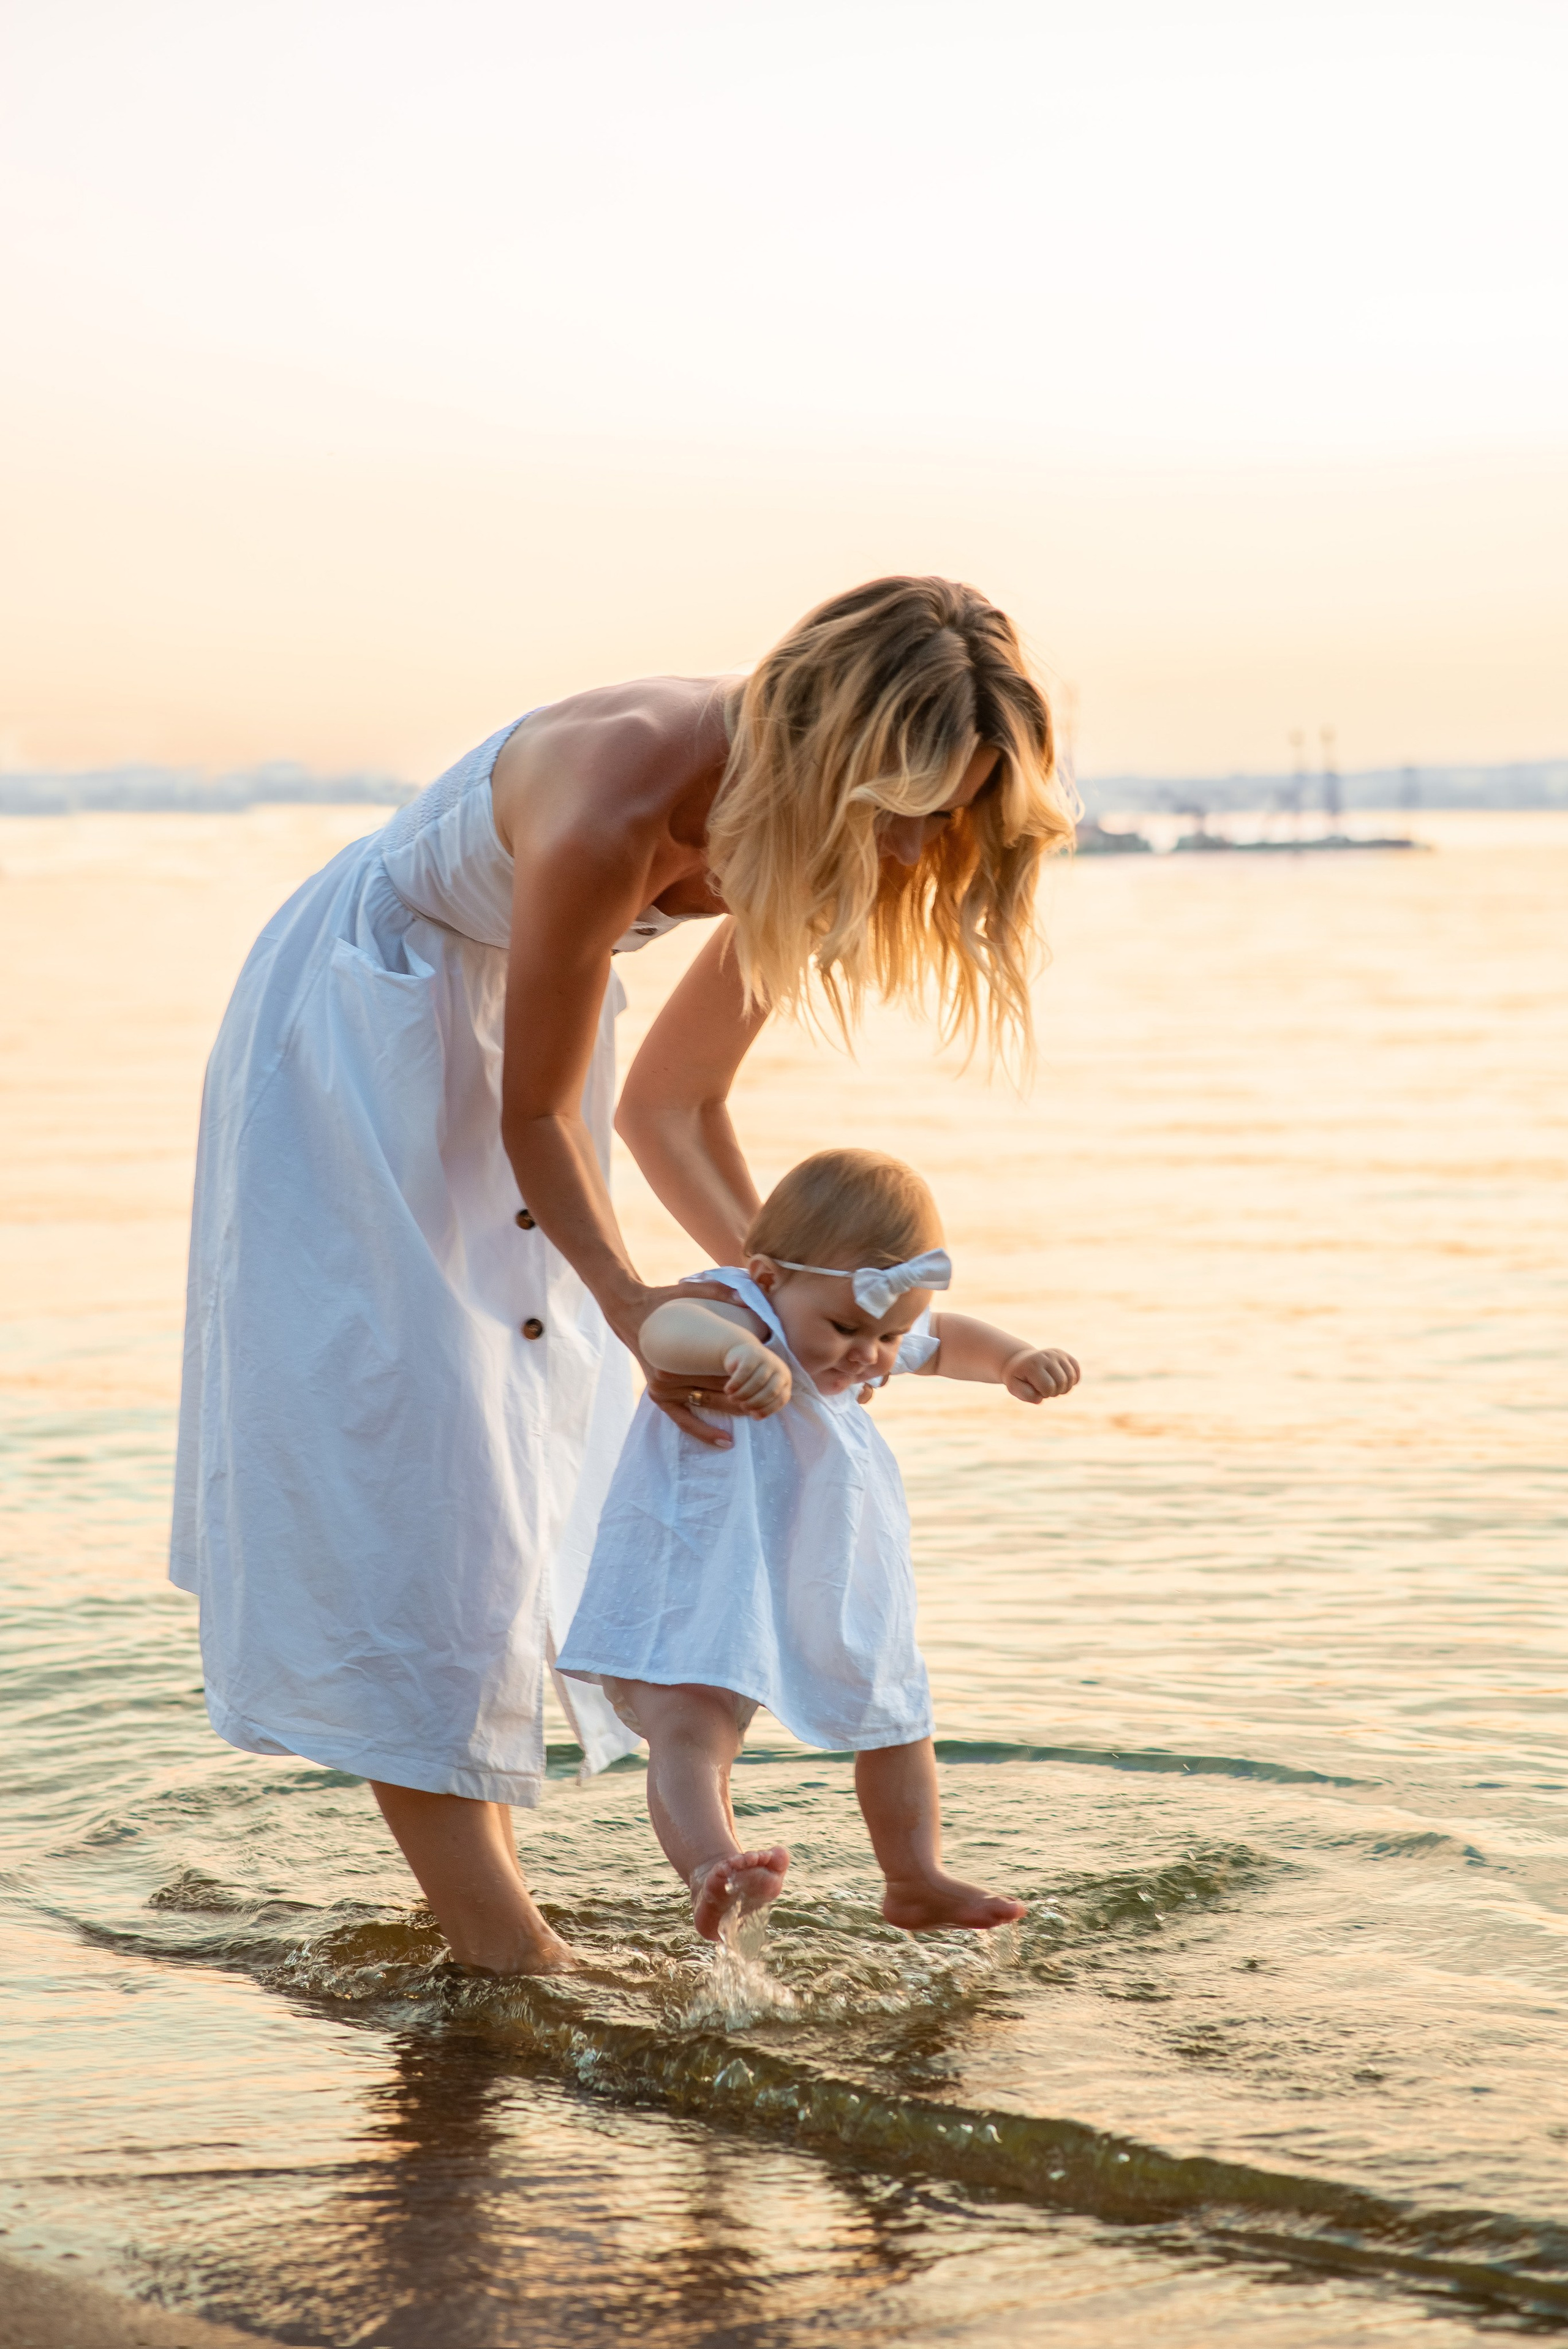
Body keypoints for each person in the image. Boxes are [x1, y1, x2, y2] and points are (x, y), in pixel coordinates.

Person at [170, 575, 1074, 1975]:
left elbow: (668, 1105)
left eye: (943, 818)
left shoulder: (811, 844)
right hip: (364, 1022)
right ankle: (499, 1942)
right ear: (829, 748)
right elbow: (538, 1114)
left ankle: (503, 1912)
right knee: (421, 1459)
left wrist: (789, 1307)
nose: (913, 850)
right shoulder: (617, 788)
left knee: (542, 1454)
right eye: (898, 810)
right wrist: (635, 1303)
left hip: (519, 1041)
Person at [557, 1148, 1080, 1940]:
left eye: (886, 1334)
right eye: (845, 1328)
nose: (869, 1354)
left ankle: (914, 1878)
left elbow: (944, 1341)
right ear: (767, 1277)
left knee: (894, 1711)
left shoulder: (866, 1325)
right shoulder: (741, 1312)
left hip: (824, 1563)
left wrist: (1013, 1359)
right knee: (692, 1724)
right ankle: (713, 1865)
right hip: (708, 1563)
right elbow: (667, 1327)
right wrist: (736, 1355)